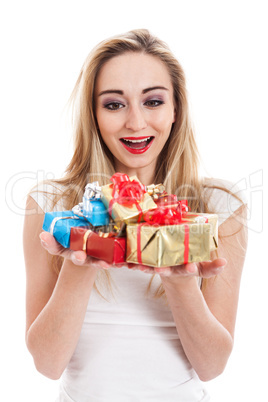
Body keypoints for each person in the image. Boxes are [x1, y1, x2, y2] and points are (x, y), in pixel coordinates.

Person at [23, 29, 248, 402]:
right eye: (114, 104)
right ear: (93, 114)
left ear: (176, 109)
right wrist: (83, 258)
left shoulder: (220, 206)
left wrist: (178, 278)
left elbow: (212, 366)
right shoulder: (51, 203)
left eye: (153, 101)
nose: (136, 122)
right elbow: (47, 365)